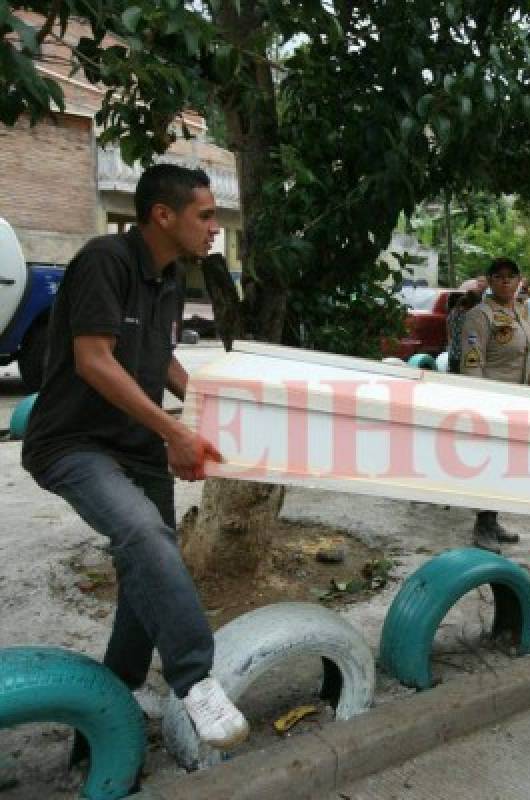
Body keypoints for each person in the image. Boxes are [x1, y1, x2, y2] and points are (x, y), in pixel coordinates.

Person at [20, 164, 248, 751]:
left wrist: (202, 409)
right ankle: (195, 678)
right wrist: (173, 435)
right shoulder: (104, 261)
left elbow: (158, 359)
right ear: (162, 215)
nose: (215, 230)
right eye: (205, 215)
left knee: (143, 574)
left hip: (135, 444)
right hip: (73, 443)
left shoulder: (169, 277)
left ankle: (108, 706)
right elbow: (94, 360)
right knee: (147, 537)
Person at [459, 257, 530, 552]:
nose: (506, 281)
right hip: (491, 399)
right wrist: (478, 402)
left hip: (519, 400)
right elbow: (472, 361)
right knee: (487, 461)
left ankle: (492, 519)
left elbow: (527, 354)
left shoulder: (520, 312)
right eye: (499, 276)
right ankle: (482, 526)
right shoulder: (480, 316)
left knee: (505, 463)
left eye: (511, 276)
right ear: (490, 281)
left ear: (519, 281)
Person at [445, 285, 481, 374]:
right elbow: (472, 338)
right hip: (467, 356)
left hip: (453, 353)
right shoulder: (470, 317)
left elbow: (449, 332)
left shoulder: (453, 312)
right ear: (475, 303)